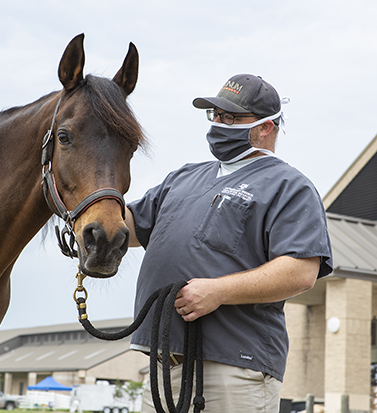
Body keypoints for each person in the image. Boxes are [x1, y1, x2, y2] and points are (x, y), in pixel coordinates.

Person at [124, 74, 333, 413]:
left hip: (233, 370)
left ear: (266, 127)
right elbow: (130, 228)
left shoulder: (289, 186)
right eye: (216, 115)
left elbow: (300, 272)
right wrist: (91, 207)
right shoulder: (184, 177)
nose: (219, 123)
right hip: (163, 370)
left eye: (231, 117)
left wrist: (218, 291)